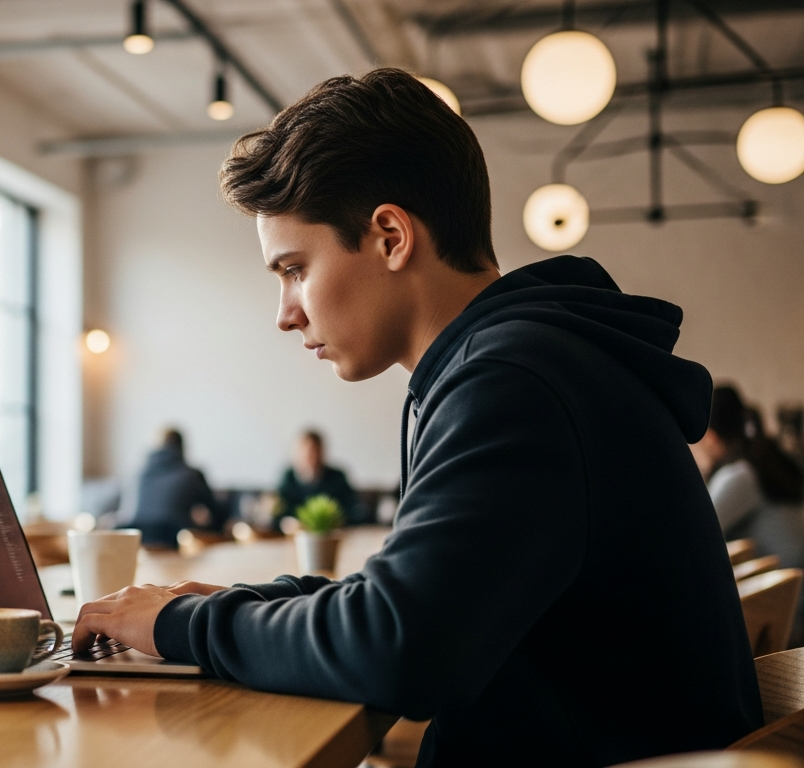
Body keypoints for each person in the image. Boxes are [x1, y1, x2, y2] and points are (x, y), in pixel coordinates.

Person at [72, 68, 760, 766]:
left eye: (293, 269)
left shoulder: (514, 382)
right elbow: (411, 604)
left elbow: (399, 649)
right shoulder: (531, 361)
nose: (285, 313)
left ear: (391, 237)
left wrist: (186, 625)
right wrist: (233, 603)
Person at [691, 385, 804, 574]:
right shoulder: (759, 462)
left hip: (784, 595)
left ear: (710, 437)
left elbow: (695, 530)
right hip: (793, 584)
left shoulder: (739, 476)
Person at [129, 429, 227, 548]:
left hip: (138, 539)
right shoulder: (191, 475)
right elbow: (216, 512)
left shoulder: (138, 475)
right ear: (181, 447)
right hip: (174, 540)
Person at [276, 429, 369, 527]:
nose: (308, 455)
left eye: (313, 451)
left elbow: (353, 508)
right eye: (304, 450)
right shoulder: (288, 477)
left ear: (321, 452)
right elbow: (281, 510)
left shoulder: (337, 477)